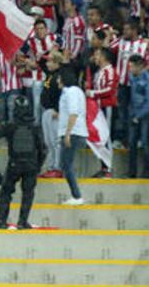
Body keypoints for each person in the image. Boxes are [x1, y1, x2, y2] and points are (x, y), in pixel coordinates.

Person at [0, 95, 46, 230]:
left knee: (6, 192)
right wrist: (38, 166)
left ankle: (2, 221)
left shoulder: (10, 126)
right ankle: (23, 222)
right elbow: (43, 149)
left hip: (14, 164)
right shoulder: (35, 127)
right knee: (28, 194)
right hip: (31, 165)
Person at [57, 68, 88, 205]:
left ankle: (77, 196)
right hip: (72, 131)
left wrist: (68, 133)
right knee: (66, 164)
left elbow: (73, 113)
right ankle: (76, 195)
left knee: (66, 164)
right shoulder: (72, 92)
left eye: (59, 78)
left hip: (73, 132)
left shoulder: (72, 92)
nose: (57, 81)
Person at [126, 55, 149, 179]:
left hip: (144, 115)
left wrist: (139, 115)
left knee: (144, 143)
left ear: (139, 66)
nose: (130, 69)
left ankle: (147, 173)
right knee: (131, 144)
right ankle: (132, 172)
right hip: (133, 113)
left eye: (132, 66)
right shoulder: (132, 77)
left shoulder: (147, 79)